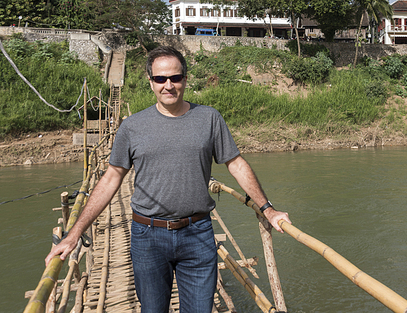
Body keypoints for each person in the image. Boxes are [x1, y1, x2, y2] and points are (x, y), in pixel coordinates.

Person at [45, 46, 291, 312]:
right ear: (150, 82)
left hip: (197, 234)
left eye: (175, 78)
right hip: (147, 236)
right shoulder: (132, 127)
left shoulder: (209, 118)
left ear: (185, 78)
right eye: (160, 79)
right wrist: (75, 233)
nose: (168, 85)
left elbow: (236, 164)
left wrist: (268, 209)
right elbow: (111, 178)